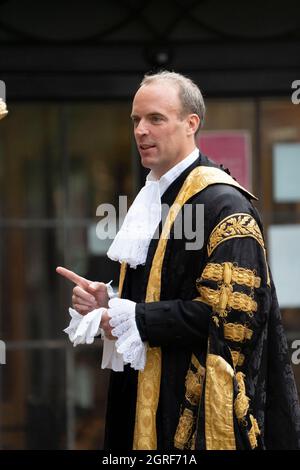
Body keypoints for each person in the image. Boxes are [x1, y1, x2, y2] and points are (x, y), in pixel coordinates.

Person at [57, 71, 300, 450]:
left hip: (191, 412)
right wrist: (109, 301)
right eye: (136, 120)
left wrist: (131, 318)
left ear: (191, 124)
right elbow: (159, 291)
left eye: (155, 119)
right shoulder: (152, 196)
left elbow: (231, 320)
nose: (141, 131)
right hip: (140, 397)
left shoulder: (224, 204)